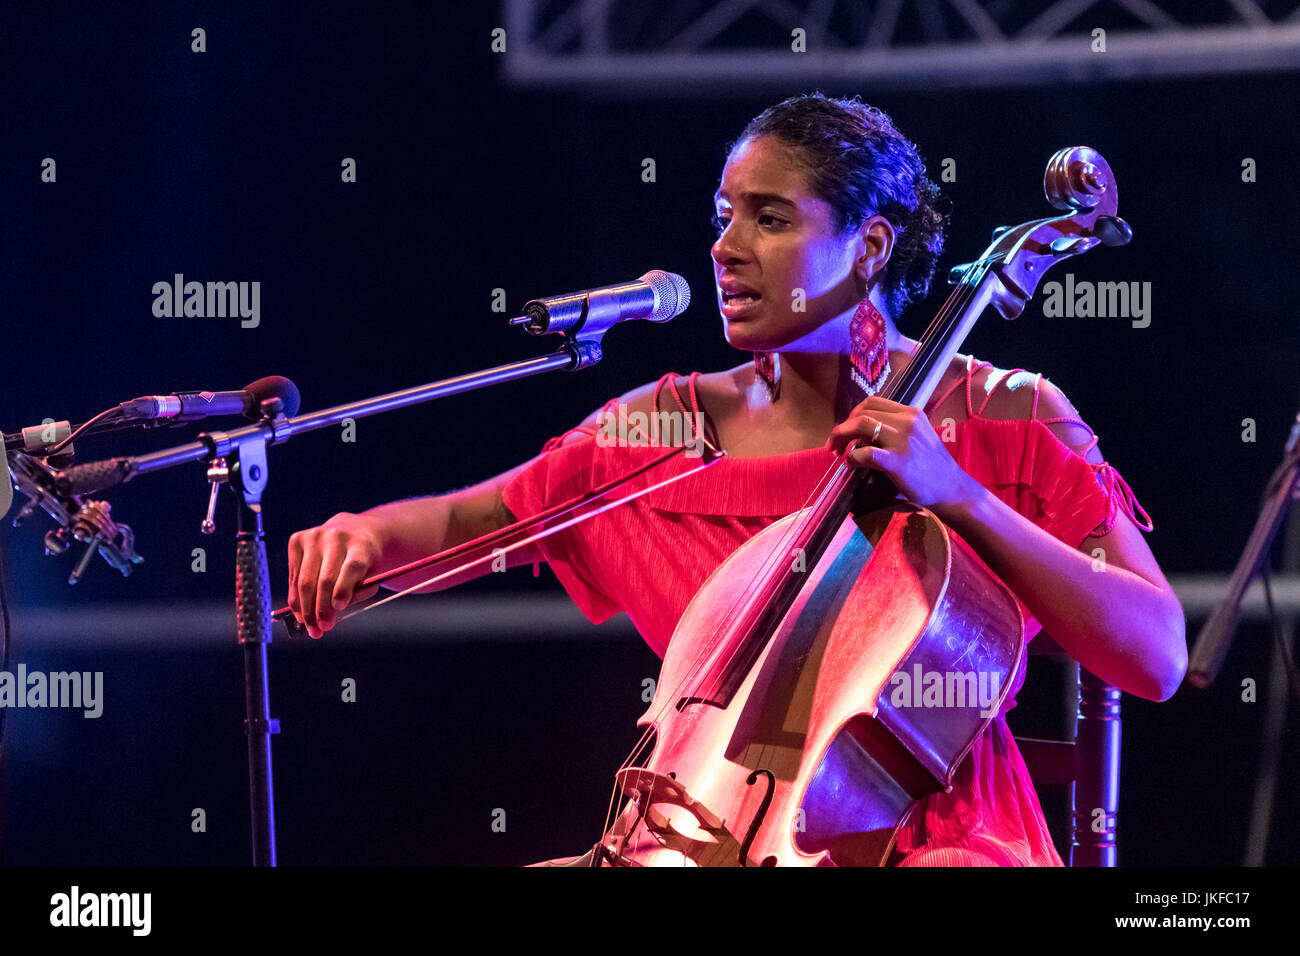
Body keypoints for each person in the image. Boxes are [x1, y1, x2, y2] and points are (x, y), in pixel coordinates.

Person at [286, 93, 1187, 866]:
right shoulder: (665, 429)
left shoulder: (1005, 416)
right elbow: (472, 519)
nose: (725, 246)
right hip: (692, 835)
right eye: (723, 215)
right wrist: (366, 532)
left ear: (871, 245)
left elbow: (1155, 654)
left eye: (769, 217)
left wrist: (956, 493)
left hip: (935, 840)